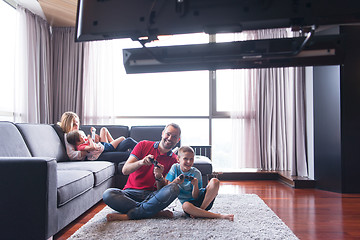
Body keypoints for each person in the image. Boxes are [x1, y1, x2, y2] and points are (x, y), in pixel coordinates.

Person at [103, 123, 181, 221]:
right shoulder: (143, 144)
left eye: (174, 137)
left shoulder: (174, 160)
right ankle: (152, 212)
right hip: (130, 194)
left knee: (174, 188)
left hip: (153, 196)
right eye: (168, 134)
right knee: (108, 194)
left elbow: (163, 189)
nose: (170, 138)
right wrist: (141, 162)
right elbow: (125, 170)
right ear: (162, 133)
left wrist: (159, 177)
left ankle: (132, 214)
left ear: (178, 140)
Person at [166, 146, 234, 221]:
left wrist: (195, 185)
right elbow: (168, 188)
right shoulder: (175, 168)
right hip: (189, 206)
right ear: (178, 159)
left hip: (204, 201)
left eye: (191, 159)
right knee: (185, 206)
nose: (189, 162)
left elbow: (195, 196)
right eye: (185, 159)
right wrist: (176, 182)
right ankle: (219, 216)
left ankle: (201, 211)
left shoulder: (196, 173)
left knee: (215, 181)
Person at [58, 111, 137, 160]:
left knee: (129, 141)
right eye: (73, 124)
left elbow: (89, 143)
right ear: (67, 124)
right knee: (127, 155)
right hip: (96, 156)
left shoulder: (80, 132)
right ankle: (144, 156)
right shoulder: (68, 136)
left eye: (77, 123)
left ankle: (147, 149)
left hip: (101, 149)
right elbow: (72, 155)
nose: (76, 126)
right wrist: (86, 151)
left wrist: (96, 140)